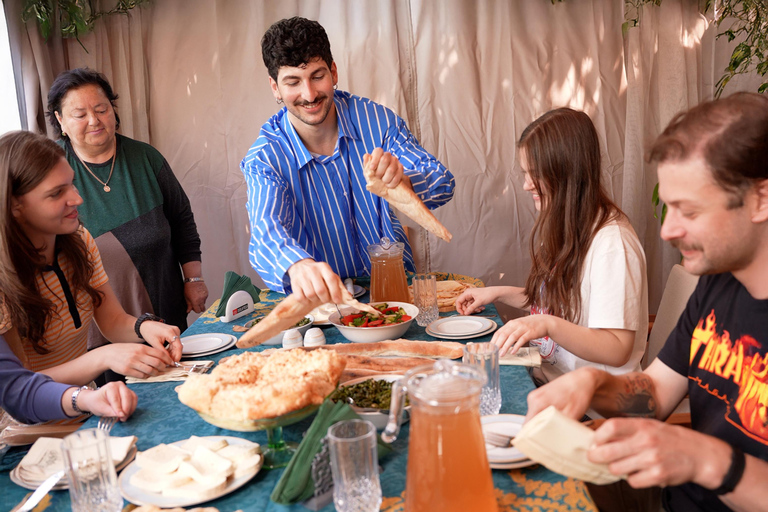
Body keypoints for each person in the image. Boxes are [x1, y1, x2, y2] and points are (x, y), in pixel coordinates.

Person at [525, 92, 768, 512]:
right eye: (667, 207)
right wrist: (595, 384)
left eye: (687, 212)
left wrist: (702, 458)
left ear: (760, 199)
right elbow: (654, 395)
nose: (667, 231)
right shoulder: (716, 285)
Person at [241, 16, 455, 304]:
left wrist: (402, 182)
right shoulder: (265, 157)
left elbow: (442, 182)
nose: (309, 94)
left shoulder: (377, 121)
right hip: (320, 305)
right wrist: (297, 265)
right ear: (275, 87)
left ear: (334, 72)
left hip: (393, 294)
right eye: (293, 82)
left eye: (317, 76)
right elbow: (265, 231)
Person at [456, 108, 648, 385]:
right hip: (546, 377)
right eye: (524, 173)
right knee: (461, 368)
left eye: (534, 174)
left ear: (566, 172)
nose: (525, 185)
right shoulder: (568, 224)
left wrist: (547, 326)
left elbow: (617, 348)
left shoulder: (612, 245)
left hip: (591, 404)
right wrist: (496, 293)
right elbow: (557, 304)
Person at [0, 130, 182, 387]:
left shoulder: (80, 240)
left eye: (71, 184)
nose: (77, 199)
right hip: (30, 426)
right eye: (56, 193)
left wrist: (145, 327)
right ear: (14, 205)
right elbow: (20, 385)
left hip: (87, 404)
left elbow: (112, 320)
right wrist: (104, 356)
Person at [46, 68, 208, 355]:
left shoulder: (146, 158)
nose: (94, 120)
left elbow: (182, 219)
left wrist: (193, 279)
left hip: (164, 304)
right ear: (60, 120)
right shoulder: (53, 169)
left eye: (101, 109)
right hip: (101, 323)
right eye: (80, 114)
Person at [0, 335, 136, 424]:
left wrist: (88, 398)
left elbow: (17, 389)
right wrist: (103, 357)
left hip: (86, 416)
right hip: (37, 432)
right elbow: (18, 391)